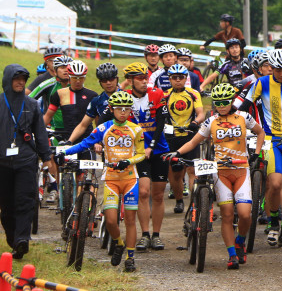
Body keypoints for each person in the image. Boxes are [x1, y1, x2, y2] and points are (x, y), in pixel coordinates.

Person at [165, 83, 265, 269]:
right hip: (221, 172)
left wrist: (256, 153)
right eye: (217, 103)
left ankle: (240, 241)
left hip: (241, 169)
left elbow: (260, 133)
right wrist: (177, 153)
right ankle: (232, 255)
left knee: (245, 214)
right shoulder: (211, 121)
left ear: (231, 102)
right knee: (227, 215)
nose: (221, 106)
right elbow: (194, 142)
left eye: (225, 102)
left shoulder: (244, 117)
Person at [56, 91, 145, 272]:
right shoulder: (103, 128)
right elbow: (85, 143)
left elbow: (141, 154)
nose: (123, 113)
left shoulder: (136, 129)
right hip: (111, 179)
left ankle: (130, 258)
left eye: (127, 109)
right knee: (111, 220)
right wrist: (64, 151)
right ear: (111, 109)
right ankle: (118, 243)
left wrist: (128, 161)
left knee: (130, 220)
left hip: (130, 179)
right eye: (119, 109)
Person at [233, 49, 282, 247]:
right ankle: (273, 222)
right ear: (272, 68)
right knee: (275, 183)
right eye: (277, 69)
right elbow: (244, 107)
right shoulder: (262, 83)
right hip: (270, 139)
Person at [109, 62, 170, 252]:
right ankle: (144, 234)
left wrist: (151, 146)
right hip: (137, 153)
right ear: (130, 81)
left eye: (146, 77)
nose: (144, 82)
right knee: (143, 192)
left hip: (158, 148)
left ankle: (157, 235)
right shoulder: (124, 98)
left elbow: (161, 122)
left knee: (158, 194)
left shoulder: (157, 94)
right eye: (139, 79)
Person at [0, 64, 55, 259]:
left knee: (25, 201)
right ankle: (13, 239)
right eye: (16, 78)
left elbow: (40, 133)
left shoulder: (31, 105)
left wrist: (47, 157)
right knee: (6, 206)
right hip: (2, 162)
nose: (21, 82)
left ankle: (22, 240)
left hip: (26, 160)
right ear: (8, 79)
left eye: (23, 79)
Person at [164, 64, 205, 213]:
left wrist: (195, 123)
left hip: (190, 135)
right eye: (174, 78)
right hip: (173, 137)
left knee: (192, 170)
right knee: (176, 173)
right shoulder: (165, 95)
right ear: (169, 79)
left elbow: (201, 113)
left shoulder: (194, 93)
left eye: (181, 77)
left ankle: (194, 203)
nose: (177, 80)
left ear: (186, 78)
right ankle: (179, 200)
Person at [44, 61, 98, 150]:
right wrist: (38, 132)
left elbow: (98, 123)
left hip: (86, 141)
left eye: (81, 78)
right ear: (69, 76)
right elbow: (48, 116)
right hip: (66, 139)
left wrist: (97, 141)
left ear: (84, 78)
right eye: (74, 78)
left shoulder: (92, 95)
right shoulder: (59, 94)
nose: (77, 81)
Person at [29, 55, 72, 128]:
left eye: (68, 67)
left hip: (73, 129)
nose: (66, 70)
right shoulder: (48, 84)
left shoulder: (77, 85)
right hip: (52, 128)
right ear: (55, 71)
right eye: (62, 67)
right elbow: (28, 99)